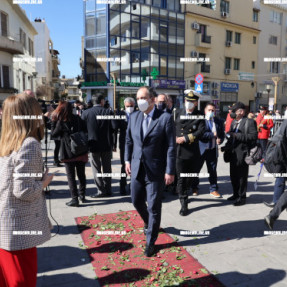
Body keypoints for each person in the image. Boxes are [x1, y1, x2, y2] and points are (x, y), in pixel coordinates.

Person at [0, 93, 53, 287]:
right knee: (22, 281)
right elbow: (23, 190)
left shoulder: (7, 142)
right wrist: (44, 182)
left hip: (6, 227)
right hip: (20, 231)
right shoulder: (29, 144)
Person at [125, 86, 176, 257]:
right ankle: (150, 223)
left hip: (156, 171)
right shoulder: (133, 117)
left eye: (143, 98)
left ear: (152, 100)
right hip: (137, 168)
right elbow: (128, 141)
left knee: (154, 206)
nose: (139, 101)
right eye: (138, 97)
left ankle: (150, 241)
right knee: (135, 200)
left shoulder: (165, 118)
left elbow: (170, 146)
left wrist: (169, 170)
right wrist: (126, 160)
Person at [174, 90, 205, 215]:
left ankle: (184, 191)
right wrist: (173, 139)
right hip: (179, 151)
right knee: (181, 177)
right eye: (187, 101)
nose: (189, 103)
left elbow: (200, 132)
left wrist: (185, 138)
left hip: (192, 152)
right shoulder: (177, 112)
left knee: (191, 177)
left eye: (192, 101)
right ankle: (183, 202)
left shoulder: (199, 115)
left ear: (196, 103)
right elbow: (171, 128)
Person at [51, 101, 88, 206]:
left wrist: (53, 122)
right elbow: (85, 130)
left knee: (71, 177)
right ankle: (82, 195)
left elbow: (53, 134)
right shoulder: (78, 118)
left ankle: (74, 199)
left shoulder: (61, 121)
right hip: (80, 150)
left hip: (68, 153)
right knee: (81, 174)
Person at [81, 93, 116, 198]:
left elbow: (82, 129)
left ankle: (101, 190)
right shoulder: (108, 112)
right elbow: (114, 127)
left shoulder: (86, 113)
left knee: (96, 168)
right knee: (107, 168)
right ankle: (108, 189)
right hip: (106, 145)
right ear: (102, 101)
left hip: (93, 145)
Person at [225, 102, 257, 206]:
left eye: (234, 111)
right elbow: (231, 136)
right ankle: (235, 194)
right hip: (233, 153)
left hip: (243, 154)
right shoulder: (234, 122)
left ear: (241, 111)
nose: (232, 113)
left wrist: (237, 135)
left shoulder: (249, 122)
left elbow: (253, 137)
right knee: (233, 175)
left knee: (242, 177)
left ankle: (242, 197)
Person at [197, 102, 225, 198]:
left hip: (213, 150)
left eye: (213, 110)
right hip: (201, 149)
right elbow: (199, 134)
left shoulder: (218, 121)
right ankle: (194, 187)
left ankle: (213, 189)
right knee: (196, 169)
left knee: (212, 170)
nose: (211, 112)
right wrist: (212, 135)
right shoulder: (200, 120)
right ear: (205, 111)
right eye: (209, 110)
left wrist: (220, 140)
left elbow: (221, 134)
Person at [113, 97, 136, 195]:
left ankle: (133, 186)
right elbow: (114, 128)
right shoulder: (120, 115)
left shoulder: (137, 114)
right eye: (127, 106)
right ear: (124, 106)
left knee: (135, 165)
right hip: (124, 143)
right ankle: (122, 186)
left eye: (131, 106)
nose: (129, 108)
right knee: (124, 165)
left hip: (136, 143)